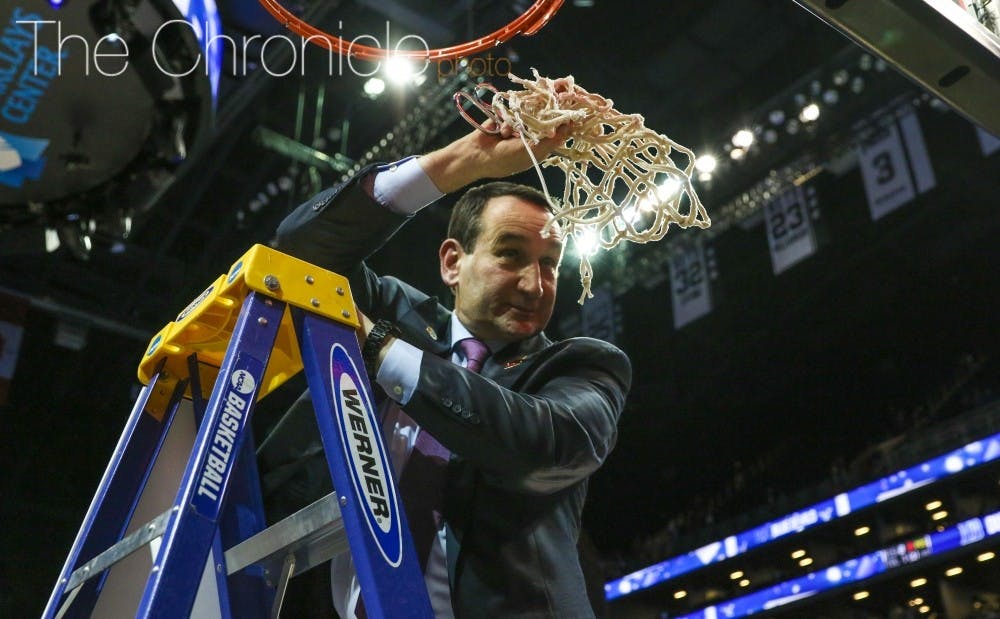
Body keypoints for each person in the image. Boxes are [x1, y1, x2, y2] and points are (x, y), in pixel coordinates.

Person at [262, 119, 632, 618]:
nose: (534, 284)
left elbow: (534, 445)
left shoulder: (583, 366)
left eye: (549, 263)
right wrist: (462, 162)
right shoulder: (396, 310)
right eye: (511, 254)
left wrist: (379, 348)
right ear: (452, 262)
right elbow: (299, 249)